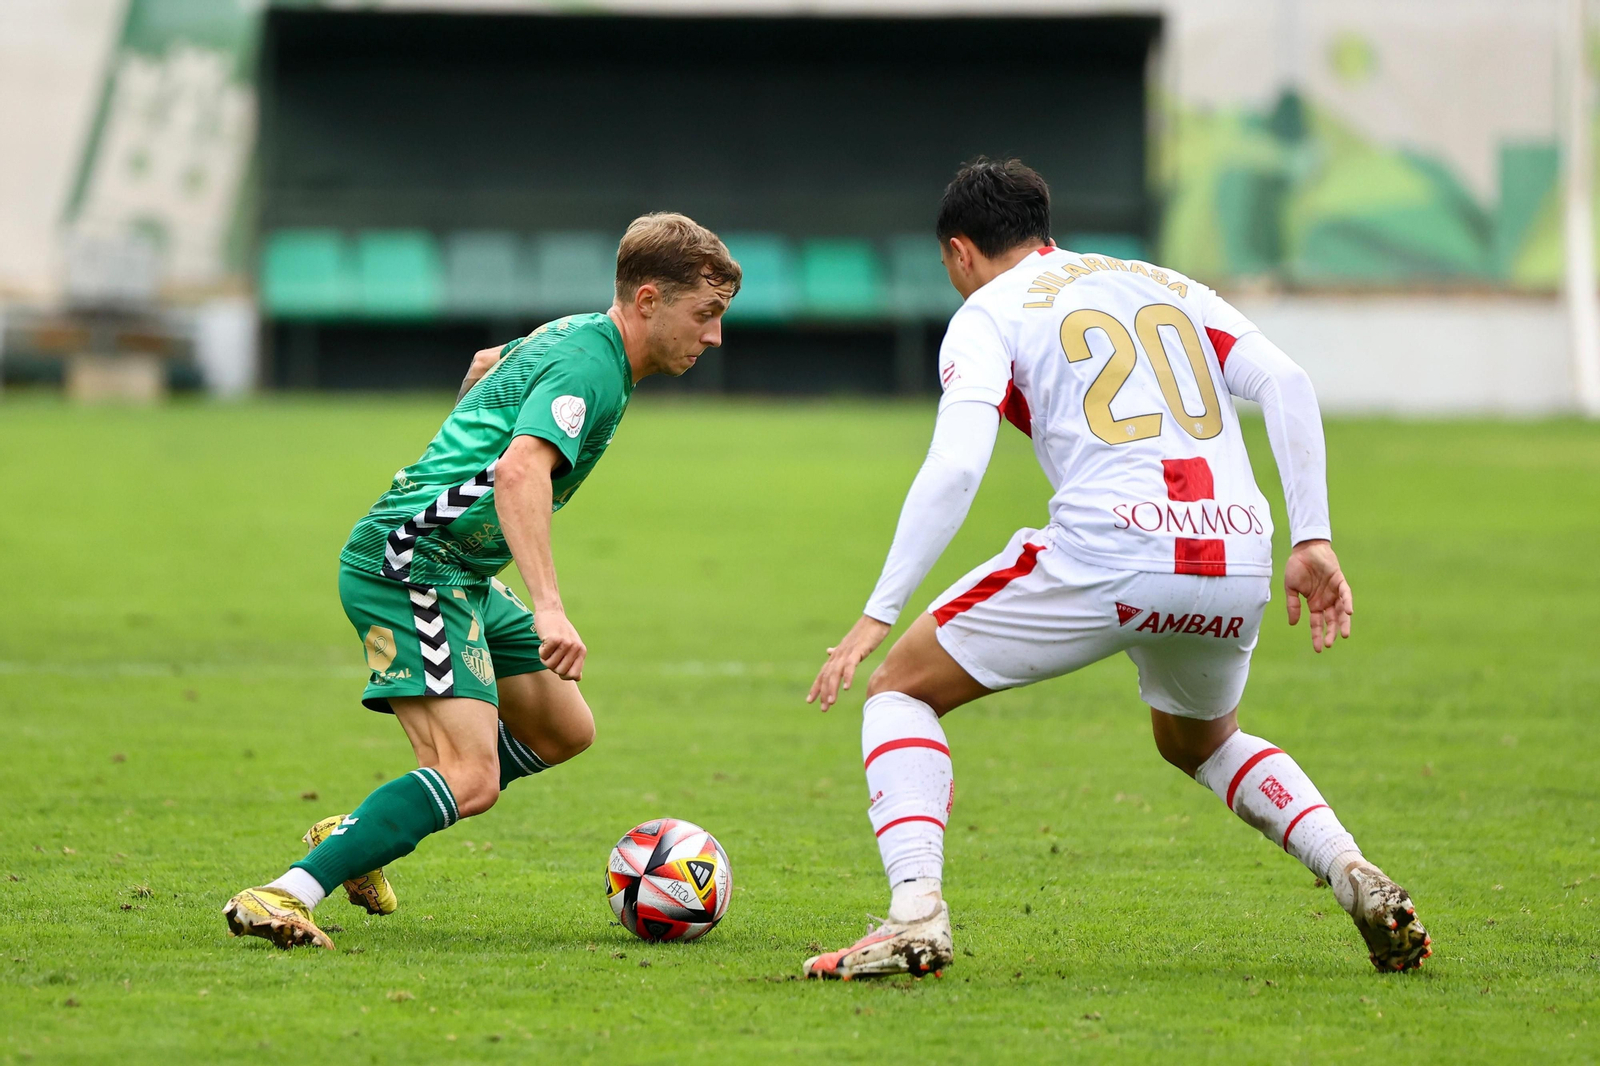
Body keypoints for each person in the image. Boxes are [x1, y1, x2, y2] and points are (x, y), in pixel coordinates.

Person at [802, 159, 1430, 979]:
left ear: (958, 252)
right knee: (1199, 741)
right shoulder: (1161, 281)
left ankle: (916, 916)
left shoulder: (989, 310)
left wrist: (879, 612)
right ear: (1044, 227)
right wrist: (1311, 536)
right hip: (1234, 547)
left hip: (1113, 545)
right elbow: (1284, 379)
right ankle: (1353, 871)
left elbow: (958, 466)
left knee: (901, 691)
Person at [223, 213, 740, 949]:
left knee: (564, 729)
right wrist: (550, 607)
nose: (714, 336)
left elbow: (488, 360)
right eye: (707, 315)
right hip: (410, 566)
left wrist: (481, 400)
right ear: (650, 300)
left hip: (454, 569)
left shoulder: (583, 336)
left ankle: (361, 830)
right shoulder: (593, 364)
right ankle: (282, 893)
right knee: (472, 777)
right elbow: (519, 469)